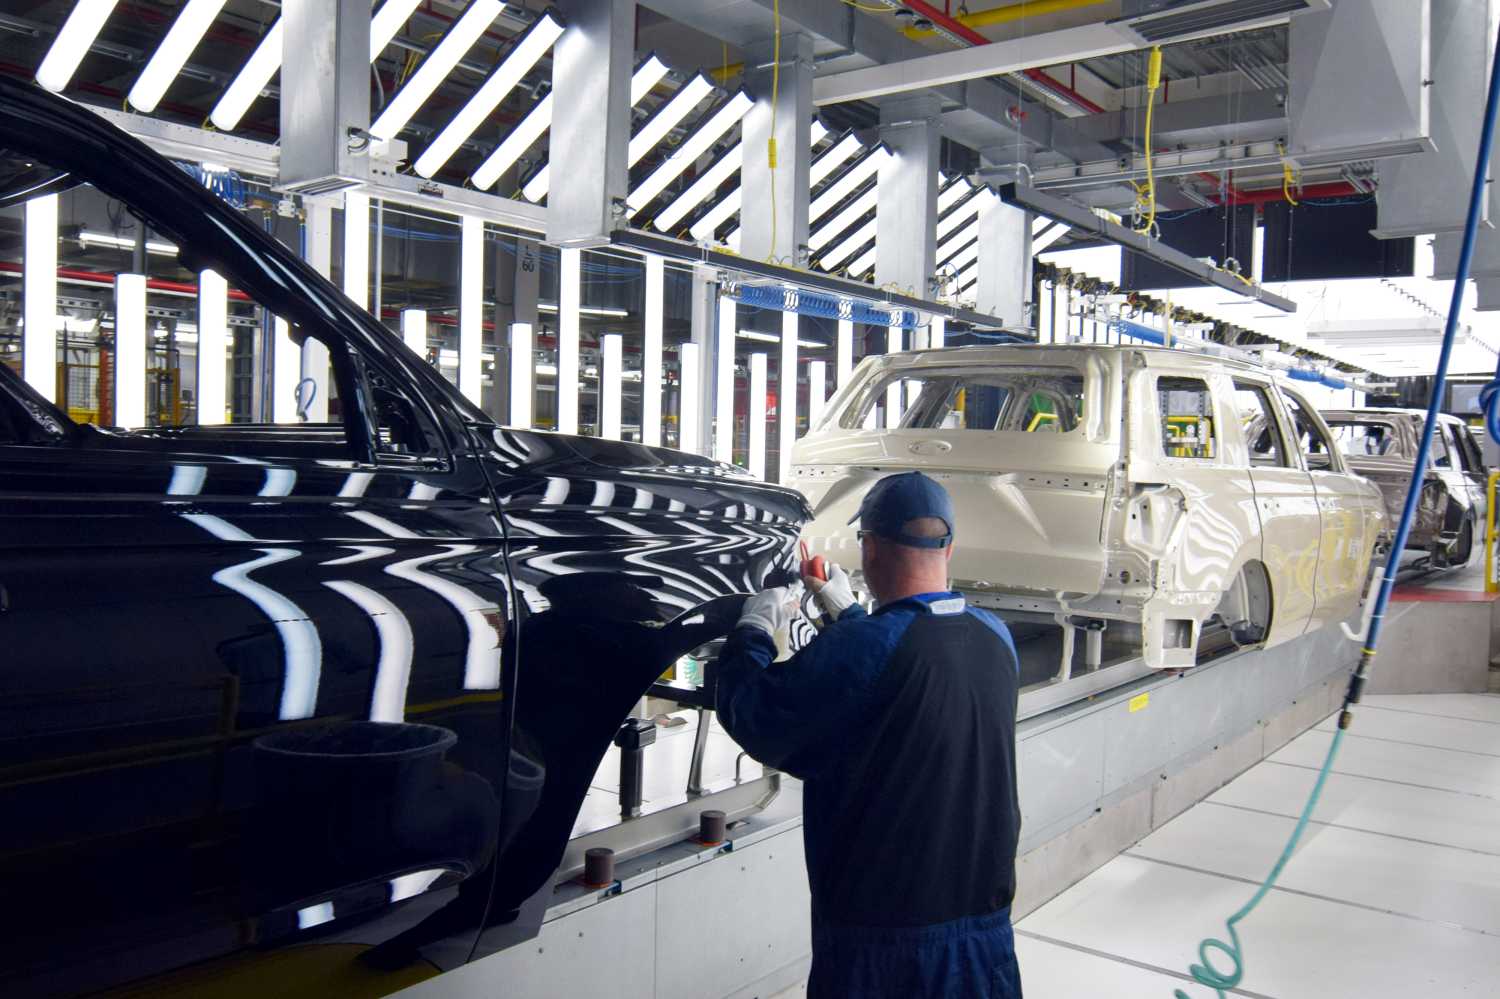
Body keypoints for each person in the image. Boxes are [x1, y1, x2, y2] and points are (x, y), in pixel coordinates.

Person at [715, 471, 1023, 999]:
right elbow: (909, 675)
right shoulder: (995, 636)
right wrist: (847, 612)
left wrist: (755, 627)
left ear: (872, 547)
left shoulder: (865, 649)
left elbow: (751, 711)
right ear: (948, 546)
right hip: (985, 936)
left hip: (885, 949)